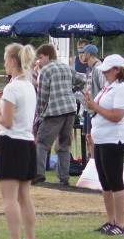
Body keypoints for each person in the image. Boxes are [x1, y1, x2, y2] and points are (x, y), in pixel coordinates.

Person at [0, 43, 39, 239]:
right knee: (24, 196)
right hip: (27, 142)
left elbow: (6, 122)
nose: (4, 63)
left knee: (10, 197)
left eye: (6, 59)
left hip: (11, 142)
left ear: (13, 61)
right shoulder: (29, 85)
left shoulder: (13, 87)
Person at [84, 54, 124, 236]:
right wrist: (90, 103)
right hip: (102, 138)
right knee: (105, 182)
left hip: (115, 139)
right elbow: (98, 109)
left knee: (115, 181)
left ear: (117, 70)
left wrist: (94, 107)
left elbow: (117, 116)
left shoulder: (123, 88)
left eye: (107, 70)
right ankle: (111, 220)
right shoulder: (108, 87)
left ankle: (120, 224)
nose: (104, 73)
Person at [32, 43, 85, 186]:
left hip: (54, 111)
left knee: (42, 143)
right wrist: (70, 90)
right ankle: (64, 177)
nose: (39, 61)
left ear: (48, 55)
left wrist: (40, 115)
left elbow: (42, 96)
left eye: (41, 57)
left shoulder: (45, 71)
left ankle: (39, 173)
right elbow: (83, 80)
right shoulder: (66, 67)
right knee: (64, 145)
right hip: (70, 109)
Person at [78, 44, 106, 158]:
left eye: (82, 53)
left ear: (88, 54)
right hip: (89, 109)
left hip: (96, 110)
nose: (80, 56)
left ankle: (96, 164)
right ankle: (92, 163)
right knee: (89, 137)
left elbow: (104, 89)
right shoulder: (90, 69)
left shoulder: (99, 69)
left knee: (94, 138)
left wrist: (96, 107)